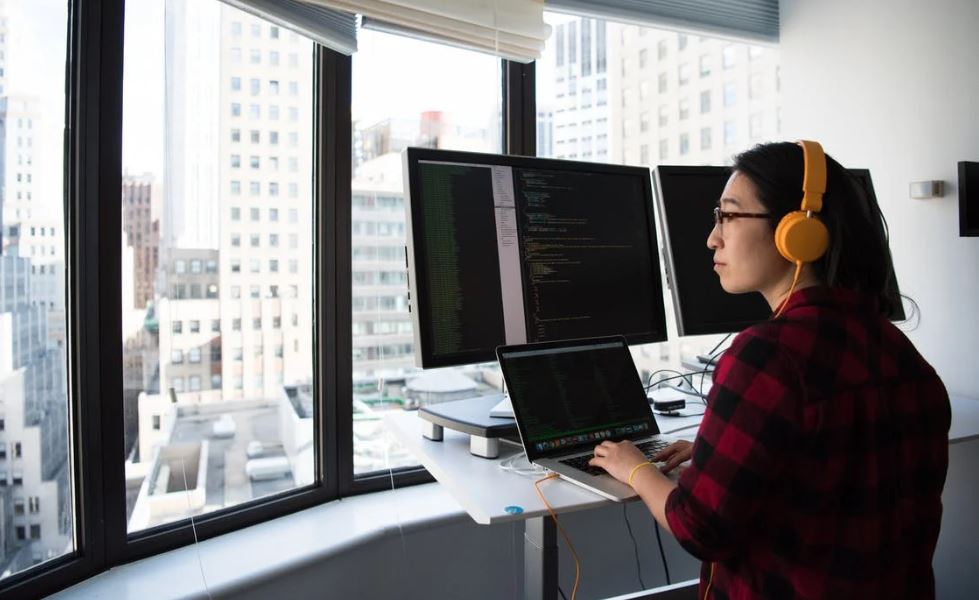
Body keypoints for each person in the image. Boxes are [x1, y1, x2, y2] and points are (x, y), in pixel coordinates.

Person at [589, 141, 950, 598]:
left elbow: (700, 528)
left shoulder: (768, 356)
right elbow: (837, 464)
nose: (712, 238)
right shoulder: (900, 351)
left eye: (728, 216)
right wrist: (720, 453)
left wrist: (636, 468)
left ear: (798, 232)